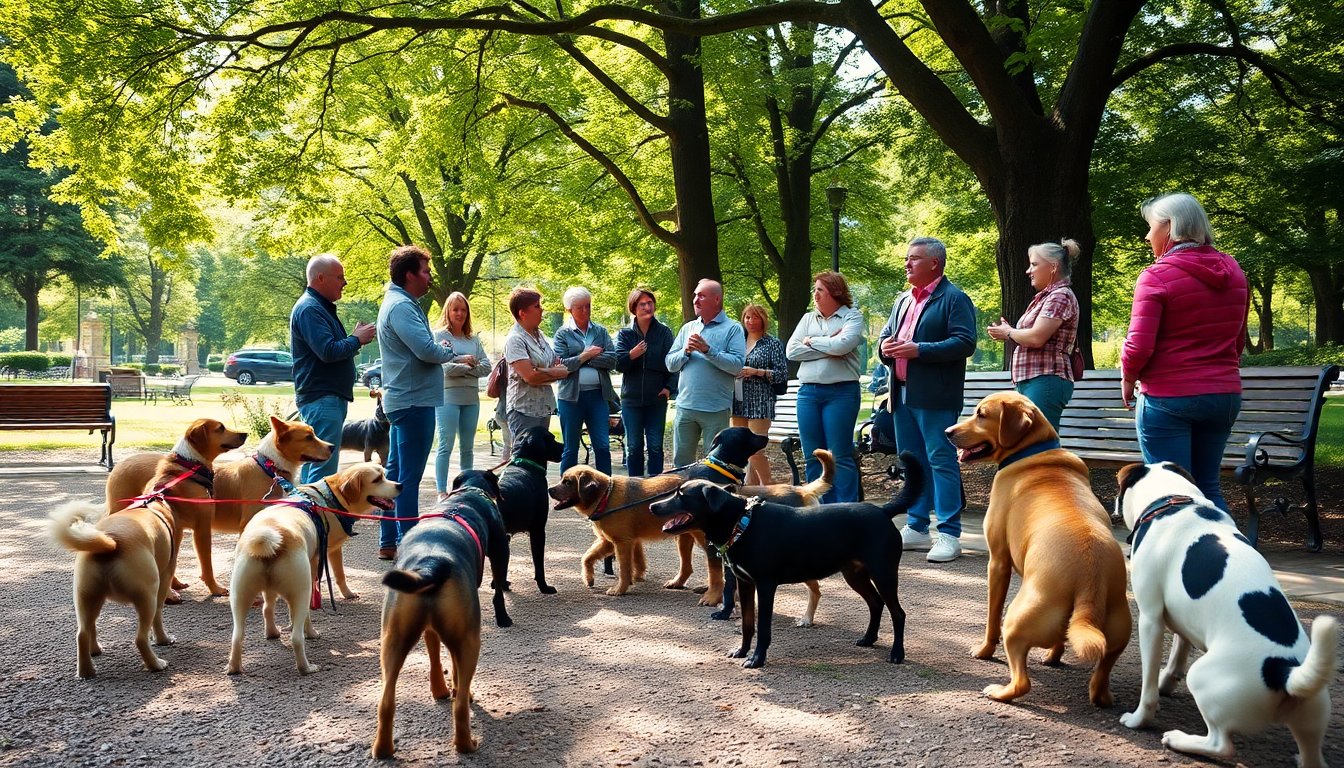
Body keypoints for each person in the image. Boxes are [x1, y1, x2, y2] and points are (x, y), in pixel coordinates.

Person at [1122, 192, 1248, 511]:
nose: (1147, 235)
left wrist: (1128, 378)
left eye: (1151, 226)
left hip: (1169, 396)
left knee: (1171, 492)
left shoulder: (1156, 275)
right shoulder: (1233, 270)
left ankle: (1174, 544)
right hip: (1223, 395)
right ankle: (1226, 543)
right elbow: (1237, 341)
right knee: (1207, 487)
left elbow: (1139, 344)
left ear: (1169, 226)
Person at [878, 237, 977, 563]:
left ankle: (949, 533)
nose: (907, 264)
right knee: (911, 461)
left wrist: (919, 350)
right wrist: (885, 348)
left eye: (915, 258)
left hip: (935, 396)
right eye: (907, 258)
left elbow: (965, 342)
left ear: (935, 263)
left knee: (941, 460)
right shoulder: (902, 300)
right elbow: (886, 337)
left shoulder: (954, 298)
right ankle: (918, 526)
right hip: (901, 393)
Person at [375, 245, 458, 561]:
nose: (429, 277)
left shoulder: (399, 302)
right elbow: (426, 350)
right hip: (413, 402)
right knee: (408, 479)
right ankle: (409, 545)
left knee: (395, 476)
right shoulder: (401, 307)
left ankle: (389, 541)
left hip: (405, 400)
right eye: (425, 271)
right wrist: (447, 350)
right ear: (409, 275)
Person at [289, 254, 377, 484]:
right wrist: (356, 339)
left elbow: (332, 350)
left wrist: (354, 340)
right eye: (339, 277)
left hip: (325, 398)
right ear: (320, 278)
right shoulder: (310, 309)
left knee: (314, 467)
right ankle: (316, 507)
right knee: (323, 471)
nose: (344, 282)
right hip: (322, 398)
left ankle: (307, 505)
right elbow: (327, 351)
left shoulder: (318, 307)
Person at [985, 239, 1082, 432]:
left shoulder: (1060, 295)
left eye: (1034, 264)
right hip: (1033, 379)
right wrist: (1010, 333)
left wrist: (1009, 332)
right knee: (1028, 440)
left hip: (1045, 378)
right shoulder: (1045, 297)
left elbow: (1037, 338)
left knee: (1038, 441)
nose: (1028, 271)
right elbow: (1030, 335)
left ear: (1053, 267)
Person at [787, 272, 864, 503]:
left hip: (841, 393)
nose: (815, 294)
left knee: (839, 455)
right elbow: (791, 351)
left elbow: (843, 346)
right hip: (808, 394)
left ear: (835, 292)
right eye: (815, 289)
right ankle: (819, 509)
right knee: (813, 455)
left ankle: (846, 511)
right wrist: (830, 344)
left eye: (820, 290)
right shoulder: (808, 318)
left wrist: (811, 341)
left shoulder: (852, 317)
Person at [665, 279, 746, 468]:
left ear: (716, 299)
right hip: (685, 407)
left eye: (701, 296)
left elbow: (736, 366)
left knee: (716, 465)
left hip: (716, 409)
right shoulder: (688, 328)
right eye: (695, 295)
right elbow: (670, 364)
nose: (695, 300)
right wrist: (685, 351)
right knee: (681, 465)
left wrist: (708, 350)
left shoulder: (733, 328)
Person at [553, 286, 618, 474]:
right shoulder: (562, 334)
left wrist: (581, 359)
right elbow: (562, 366)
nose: (585, 311)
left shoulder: (601, 331)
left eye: (588, 306)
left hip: (598, 396)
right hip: (570, 398)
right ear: (569, 310)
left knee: (602, 446)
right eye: (580, 307)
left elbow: (612, 360)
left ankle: (606, 487)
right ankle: (567, 487)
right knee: (570, 448)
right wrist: (587, 355)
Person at [432, 291, 491, 502]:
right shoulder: (439, 337)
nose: (460, 314)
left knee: (467, 446)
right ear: (448, 311)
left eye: (463, 310)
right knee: (445, 444)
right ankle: (441, 490)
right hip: (448, 397)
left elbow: (486, 366)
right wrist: (465, 362)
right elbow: (444, 368)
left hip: (470, 398)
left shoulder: (473, 339)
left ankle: (467, 488)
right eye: (455, 309)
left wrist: (464, 367)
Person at [615, 287, 677, 476]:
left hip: (656, 399)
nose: (647, 307)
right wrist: (631, 355)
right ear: (634, 308)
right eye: (642, 304)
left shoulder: (664, 332)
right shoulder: (625, 334)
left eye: (650, 303)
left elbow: (673, 363)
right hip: (631, 400)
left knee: (655, 446)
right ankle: (634, 486)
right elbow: (618, 364)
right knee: (633, 446)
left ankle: (656, 486)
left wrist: (668, 388)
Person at [732, 304, 788, 485]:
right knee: (740, 446)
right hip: (737, 400)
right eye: (747, 317)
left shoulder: (772, 343)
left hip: (761, 401)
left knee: (755, 448)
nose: (750, 321)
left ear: (763, 319)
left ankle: (769, 485)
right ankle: (752, 488)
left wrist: (757, 372)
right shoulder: (737, 342)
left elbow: (781, 374)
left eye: (755, 317)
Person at [503, 287, 568, 440]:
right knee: (526, 454)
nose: (542, 309)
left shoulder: (539, 335)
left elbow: (557, 365)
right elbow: (530, 377)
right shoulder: (515, 340)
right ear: (522, 313)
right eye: (537, 306)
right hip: (523, 410)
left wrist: (543, 371)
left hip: (543, 408)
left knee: (540, 454)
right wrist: (555, 373)